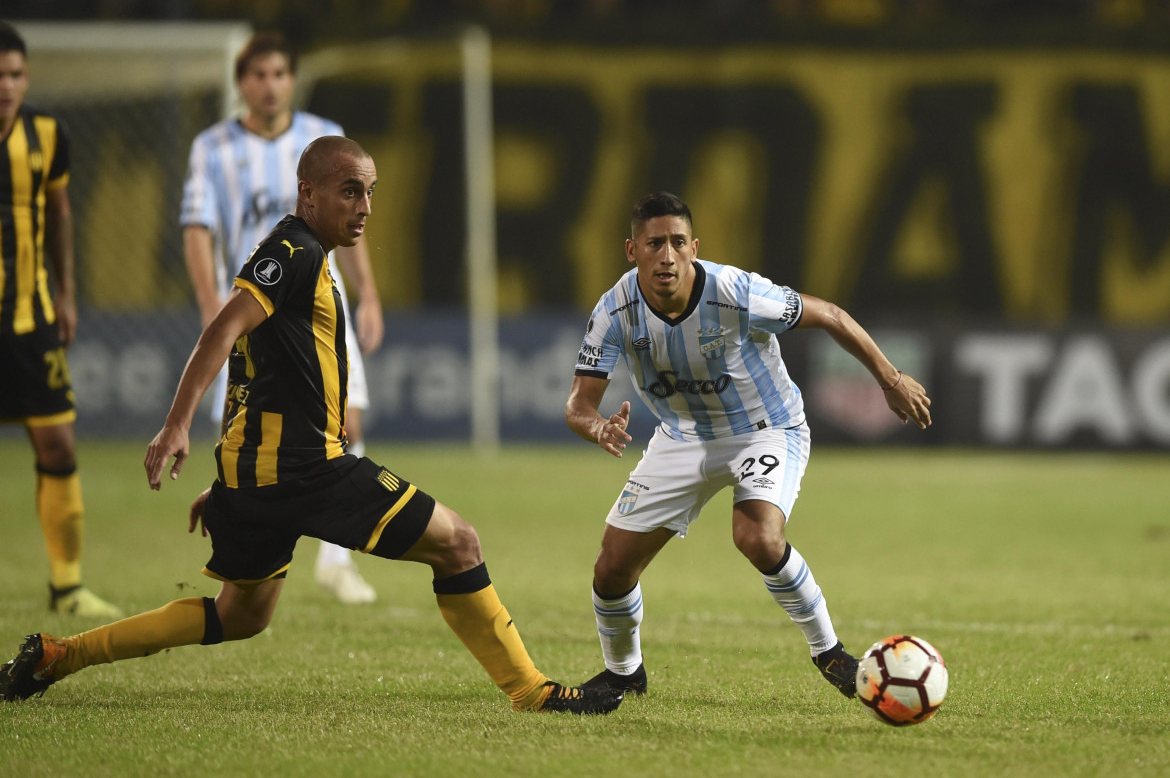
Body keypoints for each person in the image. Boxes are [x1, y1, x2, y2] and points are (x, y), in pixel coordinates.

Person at [0, 136, 622, 716]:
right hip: (307, 470)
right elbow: (221, 330)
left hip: (259, 478)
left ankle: (63, 655)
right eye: (350, 190)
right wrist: (175, 426)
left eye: (371, 191)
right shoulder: (292, 252)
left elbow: (253, 371)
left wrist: (231, 478)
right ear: (309, 194)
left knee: (241, 616)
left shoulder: (308, 256)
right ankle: (532, 691)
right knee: (458, 543)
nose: (365, 207)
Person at [565, 192, 931, 699]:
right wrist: (597, 427)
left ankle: (830, 653)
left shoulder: (734, 292)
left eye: (677, 242)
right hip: (683, 437)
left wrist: (889, 379)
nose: (666, 255)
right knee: (611, 567)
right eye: (654, 244)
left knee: (757, 538)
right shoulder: (614, 311)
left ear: (694, 247)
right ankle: (624, 673)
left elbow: (830, 314)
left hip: (766, 428)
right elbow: (578, 404)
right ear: (633, 250)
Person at [180, 31, 382, 604]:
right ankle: (251, 535)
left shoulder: (321, 137)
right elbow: (198, 229)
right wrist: (208, 301)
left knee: (349, 420)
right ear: (241, 82)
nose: (269, 86)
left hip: (321, 300)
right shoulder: (212, 147)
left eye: (279, 74)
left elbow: (352, 220)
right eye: (258, 75)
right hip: (256, 306)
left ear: (292, 80)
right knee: (249, 422)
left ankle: (337, 560)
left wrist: (368, 293)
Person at [0, 21, 121, 620]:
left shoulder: (48, 134)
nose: (6, 86)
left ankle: (67, 586)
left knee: (57, 442)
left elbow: (60, 211)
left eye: (15, 74)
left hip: (30, 320)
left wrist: (68, 292)